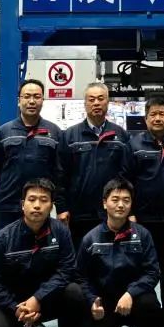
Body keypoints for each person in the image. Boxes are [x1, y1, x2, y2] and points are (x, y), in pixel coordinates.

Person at [0, 178, 88, 327]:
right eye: (32, 199)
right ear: (22, 204)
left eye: (44, 200)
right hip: (13, 302)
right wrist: (15, 307)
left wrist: (38, 298)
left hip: (47, 299)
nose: (37, 205)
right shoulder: (4, 237)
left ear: (52, 205)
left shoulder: (61, 232)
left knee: (75, 293)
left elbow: (67, 270)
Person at [76, 179, 163, 327]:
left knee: (151, 306)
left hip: (135, 300)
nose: (121, 205)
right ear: (104, 203)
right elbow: (81, 277)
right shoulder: (91, 239)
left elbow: (152, 272)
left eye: (126, 200)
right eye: (115, 199)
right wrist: (91, 300)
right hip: (105, 302)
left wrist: (131, 293)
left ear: (131, 204)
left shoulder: (143, 235)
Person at [57, 82, 131, 248]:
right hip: (79, 213)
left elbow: (127, 175)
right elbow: (61, 174)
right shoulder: (69, 136)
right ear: (85, 104)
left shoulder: (120, 135)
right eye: (91, 99)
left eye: (100, 99)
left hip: (113, 213)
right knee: (81, 256)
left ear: (108, 102)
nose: (96, 103)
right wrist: (61, 208)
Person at [126, 96, 164, 299]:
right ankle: (148, 310)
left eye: (161, 114)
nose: (157, 118)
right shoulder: (133, 145)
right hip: (144, 220)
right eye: (153, 114)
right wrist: (131, 213)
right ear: (146, 118)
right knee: (144, 269)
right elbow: (126, 181)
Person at [0, 79, 61, 230]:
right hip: (9, 203)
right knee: (6, 242)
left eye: (37, 96)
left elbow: (58, 169)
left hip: (40, 204)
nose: (32, 101)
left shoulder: (54, 132)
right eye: (27, 96)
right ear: (19, 100)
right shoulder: (4, 132)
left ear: (43, 100)